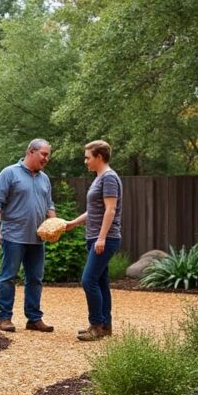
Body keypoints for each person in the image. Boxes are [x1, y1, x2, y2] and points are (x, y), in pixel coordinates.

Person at [0, 139, 56, 333]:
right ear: (30, 151)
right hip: (13, 236)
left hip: (37, 238)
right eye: (44, 154)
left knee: (35, 278)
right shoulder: (9, 173)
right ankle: (5, 318)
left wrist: (54, 224)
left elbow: (49, 204)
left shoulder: (44, 178)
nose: (46, 159)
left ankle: (34, 319)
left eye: (47, 155)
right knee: (8, 277)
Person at [65, 140, 123, 341]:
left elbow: (110, 209)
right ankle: (105, 326)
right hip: (96, 237)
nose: (85, 161)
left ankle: (96, 326)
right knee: (100, 282)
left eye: (88, 157)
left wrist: (101, 238)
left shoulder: (108, 178)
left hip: (105, 239)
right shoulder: (100, 178)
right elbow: (95, 210)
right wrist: (73, 223)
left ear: (99, 157)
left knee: (88, 280)